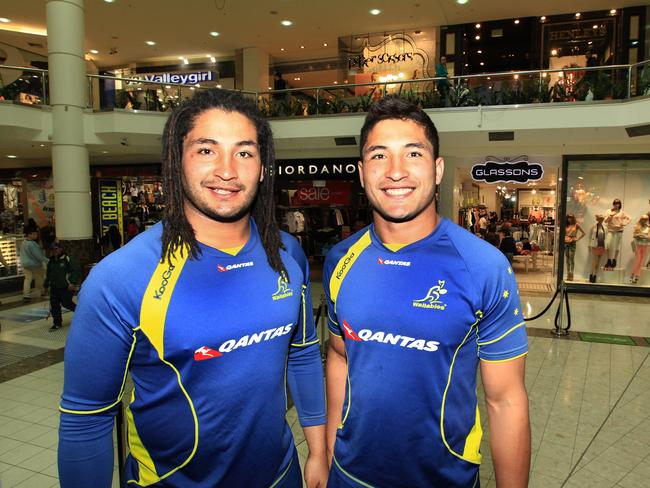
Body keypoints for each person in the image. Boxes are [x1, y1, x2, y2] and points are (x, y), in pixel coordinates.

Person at [58, 89, 327, 487]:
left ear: (264, 166)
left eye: (245, 152)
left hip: (280, 476)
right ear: (176, 161)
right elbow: (87, 420)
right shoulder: (122, 278)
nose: (227, 170)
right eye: (206, 150)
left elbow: (303, 354)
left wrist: (318, 452)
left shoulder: (287, 253)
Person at [324, 96, 530, 488]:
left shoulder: (483, 266)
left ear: (437, 170)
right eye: (379, 156)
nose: (396, 172)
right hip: (349, 476)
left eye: (413, 153)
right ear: (362, 172)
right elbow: (338, 357)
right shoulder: (341, 259)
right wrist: (332, 450)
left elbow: (506, 401)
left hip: (444, 478)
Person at [43, 242, 80, 331]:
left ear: (60, 249)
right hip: (54, 287)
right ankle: (57, 323)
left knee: (66, 303)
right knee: (54, 305)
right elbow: (48, 274)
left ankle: (80, 313)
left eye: (56, 249)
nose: (54, 251)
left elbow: (75, 270)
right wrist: (45, 285)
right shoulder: (51, 261)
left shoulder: (67, 259)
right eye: (52, 250)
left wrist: (72, 282)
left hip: (66, 287)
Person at [19, 229, 48, 301]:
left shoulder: (23, 242)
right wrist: (47, 260)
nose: (36, 236)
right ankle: (43, 292)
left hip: (25, 264)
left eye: (36, 234)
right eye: (34, 234)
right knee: (40, 278)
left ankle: (26, 295)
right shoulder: (32, 244)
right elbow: (38, 256)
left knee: (28, 279)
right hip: (35, 264)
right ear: (29, 234)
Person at [604, 198, 631, 269]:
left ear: (620, 204)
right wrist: (610, 215)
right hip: (611, 230)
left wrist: (624, 223)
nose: (616, 205)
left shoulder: (621, 212)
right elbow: (605, 221)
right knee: (607, 244)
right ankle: (609, 259)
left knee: (617, 246)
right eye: (615, 203)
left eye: (618, 203)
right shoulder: (608, 211)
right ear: (613, 204)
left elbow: (629, 218)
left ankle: (614, 260)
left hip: (619, 231)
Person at [629, 214, 650, 284]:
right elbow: (634, 235)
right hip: (638, 245)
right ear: (641, 219)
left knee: (641, 262)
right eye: (643, 219)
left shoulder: (648, 228)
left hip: (646, 245)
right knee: (637, 260)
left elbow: (649, 238)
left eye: (646, 219)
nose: (644, 220)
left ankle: (637, 276)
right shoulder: (637, 226)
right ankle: (632, 275)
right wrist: (639, 235)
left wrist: (642, 235)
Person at [564, 213, 585, 281]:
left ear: (573, 218)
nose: (569, 219)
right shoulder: (566, 225)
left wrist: (577, 239)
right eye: (568, 217)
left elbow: (583, 233)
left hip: (572, 242)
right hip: (566, 242)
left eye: (571, 217)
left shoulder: (576, 225)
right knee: (567, 258)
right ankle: (568, 273)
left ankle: (571, 273)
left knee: (571, 258)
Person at [588, 214, 606, 283]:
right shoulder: (594, 227)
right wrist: (590, 245)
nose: (601, 220)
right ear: (598, 220)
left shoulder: (604, 228)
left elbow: (605, 237)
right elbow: (591, 237)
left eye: (602, 219)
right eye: (600, 219)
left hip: (601, 245)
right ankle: (592, 275)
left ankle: (594, 275)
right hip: (595, 245)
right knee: (594, 262)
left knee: (598, 262)